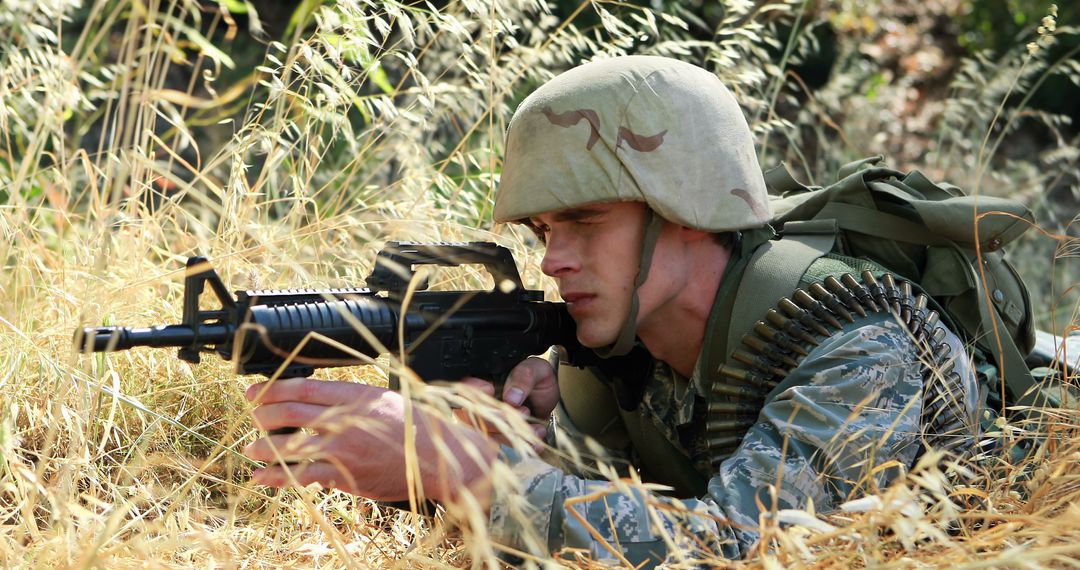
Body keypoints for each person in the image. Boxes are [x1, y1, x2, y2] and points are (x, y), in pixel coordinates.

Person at [242, 55, 982, 566]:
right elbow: (593, 521)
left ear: (685, 210)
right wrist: (433, 467)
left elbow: (747, 553)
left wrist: (472, 475)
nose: (552, 259)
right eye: (542, 232)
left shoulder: (853, 342)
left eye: (585, 222)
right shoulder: (619, 351)